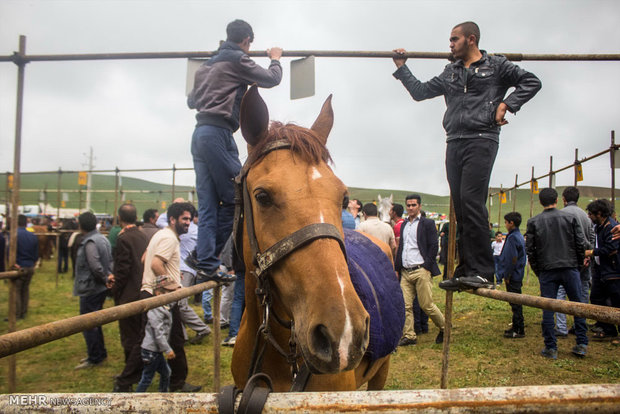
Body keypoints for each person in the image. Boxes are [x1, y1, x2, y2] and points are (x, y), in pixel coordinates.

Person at [393, 21, 541, 291]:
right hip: (454, 140)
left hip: (482, 138)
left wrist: (506, 105)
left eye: (454, 39)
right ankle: (465, 270)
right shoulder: (451, 72)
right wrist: (402, 67)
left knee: (472, 202)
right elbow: (420, 92)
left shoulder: (496, 66)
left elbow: (531, 82)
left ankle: (484, 271)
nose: (450, 44)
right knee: (461, 207)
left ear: (471, 39)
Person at [187, 19, 282, 284]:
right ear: (247, 41)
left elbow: (191, 101)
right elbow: (272, 79)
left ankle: (203, 258)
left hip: (199, 133)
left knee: (207, 205)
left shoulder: (206, 66)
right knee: (237, 194)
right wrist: (275, 58)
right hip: (219, 134)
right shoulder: (238, 59)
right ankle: (205, 258)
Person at [140, 202, 201, 392]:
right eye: (184, 219)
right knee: (172, 340)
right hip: (162, 297)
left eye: (190, 219)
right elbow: (156, 264)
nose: (188, 223)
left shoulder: (161, 234)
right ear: (172, 219)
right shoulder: (170, 238)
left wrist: (172, 274)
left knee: (167, 339)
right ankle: (177, 382)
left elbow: (145, 259)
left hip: (155, 294)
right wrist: (174, 285)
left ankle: (171, 380)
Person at [525, 188, 587, 359]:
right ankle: (581, 343)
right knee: (578, 306)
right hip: (570, 267)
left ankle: (551, 347)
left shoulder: (534, 222)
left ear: (540, 202)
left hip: (547, 270)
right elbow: (580, 243)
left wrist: (539, 270)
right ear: (558, 200)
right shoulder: (570, 218)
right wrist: (578, 264)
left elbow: (530, 250)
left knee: (548, 308)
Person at [108, 204, 149, 392]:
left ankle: (128, 378)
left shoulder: (123, 239)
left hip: (128, 295)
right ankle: (133, 374)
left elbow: (122, 269)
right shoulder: (143, 236)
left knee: (130, 339)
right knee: (139, 336)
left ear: (120, 218)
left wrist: (115, 288)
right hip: (142, 292)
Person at [395, 194, 445, 346]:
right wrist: (397, 267)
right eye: (408, 205)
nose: (410, 208)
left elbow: (433, 245)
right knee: (405, 306)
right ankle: (409, 335)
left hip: (421, 269)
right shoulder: (403, 225)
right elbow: (401, 247)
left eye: (413, 205)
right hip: (405, 271)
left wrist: (427, 266)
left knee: (426, 305)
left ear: (419, 206)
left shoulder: (427, 223)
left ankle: (444, 327)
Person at [73, 211, 113, 369]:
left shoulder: (89, 242)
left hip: (91, 288)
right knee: (97, 322)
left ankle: (94, 357)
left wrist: (103, 278)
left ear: (81, 225)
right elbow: (109, 261)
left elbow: (95, 267)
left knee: (88, 324)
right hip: (99, 288)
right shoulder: (102, 238)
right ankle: (99, 353)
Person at [555, 186, 594, 337]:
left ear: (564, 199)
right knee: (583, 293)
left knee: (561, 292)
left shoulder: (561, 215)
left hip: (567, 260)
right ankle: (580, 326)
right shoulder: (585, 215)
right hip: (585, 259)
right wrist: (587, 255)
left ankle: (562, 327)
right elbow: (591, 236)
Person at [136, 275, 179, 392]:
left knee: (166, 373)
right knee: (147, 378)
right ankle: (135, 399)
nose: (174, 294)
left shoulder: (165, 305)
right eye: (170, 292)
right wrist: (168, 349)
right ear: (159, 294)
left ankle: (163, 394)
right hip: (151, 351)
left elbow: (174, 301)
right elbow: (158, 333)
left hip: (156, 351)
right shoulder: (155, 309)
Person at [585, 199, 620, 342]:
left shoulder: (612, 227)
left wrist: (591, 253)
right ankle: (608, 328)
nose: (589, 216)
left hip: (613, 271)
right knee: (596, 298)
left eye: (590, 214)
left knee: (617, 302)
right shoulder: (600, 227)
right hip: (601, 270)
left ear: (599, 213)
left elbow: (611, 248)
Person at [497, 212, 527, 338]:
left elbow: (512, 258)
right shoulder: (518, 235)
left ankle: (519, 329)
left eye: (506, 222)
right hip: (517, 273)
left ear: (511, 223)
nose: (505, 224)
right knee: (515, 302)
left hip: (513, 275)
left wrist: (507, 275)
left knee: (515, 302)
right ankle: (516, 326)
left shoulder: (513, 237)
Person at [13, 214, 39, 320]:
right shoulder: (33, 236)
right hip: (30, 266)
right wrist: (32, 262)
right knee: (25, 289)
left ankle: (17, 314)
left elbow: (10, 251)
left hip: (19, 266)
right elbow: (36, 254)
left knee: (17, 290)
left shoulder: (14, 235)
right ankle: (24, 312)